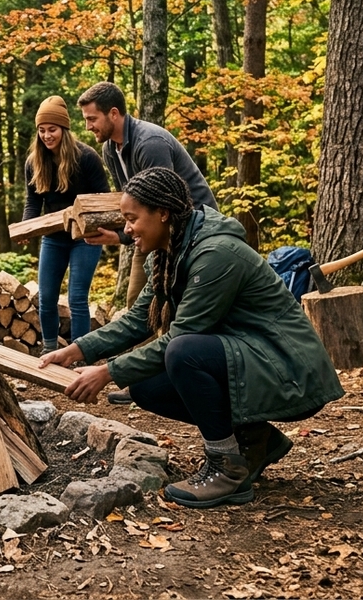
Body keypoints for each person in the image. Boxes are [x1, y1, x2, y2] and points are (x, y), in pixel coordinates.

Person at [39, 167, 343, 508]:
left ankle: (226, 469)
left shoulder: (216, 254)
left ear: (162, 213)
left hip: (289, 368)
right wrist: (77, 350)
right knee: (145, 385)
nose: (127, 229)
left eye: (132, 219)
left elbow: (181, 337)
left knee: (183, 351)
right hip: (252, 357)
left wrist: (107, 372)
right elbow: (139, 319)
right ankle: (256, 440)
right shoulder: (169, 253)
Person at [77, 81, 218, 404]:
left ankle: (161, 376)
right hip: (155, 230)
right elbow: (132, 204)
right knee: (140, 304)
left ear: (114, 113)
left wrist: (126, 235)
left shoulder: (149, 143)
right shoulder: (110, 149)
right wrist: (120, 236)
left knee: (173, 305)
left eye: (92, 119)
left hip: (190, 231)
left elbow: (160, 203)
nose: (88, 127)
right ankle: (142, 377)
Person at [19, 96, 110, 353]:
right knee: (46, 297)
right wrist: (26, 227)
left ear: (64, 129)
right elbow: (33, 202)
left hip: (86, 237)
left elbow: (104, 198)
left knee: (77, 297)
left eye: (52, 129)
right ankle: (49, 350)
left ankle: (79, 355)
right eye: (42, 130)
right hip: (53, 238)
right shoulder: (34, 162)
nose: (47, 136)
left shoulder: (86, 157)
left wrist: (103, 231)